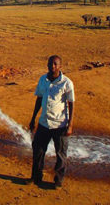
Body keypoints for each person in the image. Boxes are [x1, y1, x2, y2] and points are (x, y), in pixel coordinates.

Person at [26, 55, 74, 188]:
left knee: (61, 154)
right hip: (44, 123)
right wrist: (33, 118)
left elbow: (71, 104)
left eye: (55, 64)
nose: (51, 66)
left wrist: (70, 125)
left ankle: (58, 181)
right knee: (38, 150)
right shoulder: (43, 80)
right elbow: (39, 99)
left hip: (60, 125)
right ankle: (36, 177)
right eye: (49, 63)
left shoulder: (67, 83)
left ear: (60, 66)